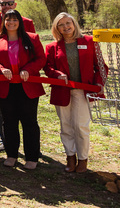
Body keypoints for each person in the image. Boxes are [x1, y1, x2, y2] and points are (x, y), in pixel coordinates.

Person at [44, 12, 106, 173]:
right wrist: (57, 74)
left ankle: (83, 159)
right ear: (56, 28)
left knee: (81, 126)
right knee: (66, 126)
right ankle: (70, 157)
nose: (65, 27)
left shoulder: (89, 41)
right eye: (61, 24)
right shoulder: (52, 47)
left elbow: (101, 66)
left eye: (68, 23)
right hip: (62, 91)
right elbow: (48, 67)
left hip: (83, 91)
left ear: (74, 23)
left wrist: (99, 82)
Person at [0, 9, 46, 170]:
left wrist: (29, 69)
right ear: (3, 22)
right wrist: (0, 69)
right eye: (8, 20)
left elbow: (41, 58)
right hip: (5, 87)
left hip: (27, 86)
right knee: (8, 121)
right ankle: (11, 155)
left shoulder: (32, 38)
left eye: (14, 20)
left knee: (29, 122)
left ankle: (32, 157)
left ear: (20, 22)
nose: (11, 23)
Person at [0, 0, 36, 153]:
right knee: (4, 113)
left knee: (28, 116)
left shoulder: (27, 23)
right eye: (3, 3)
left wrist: (28, 69)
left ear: (15, 5)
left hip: (25, 79)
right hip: (3, 79)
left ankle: (31, 148)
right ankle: (5, 141)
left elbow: (33, 48)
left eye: (9, 3)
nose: (6, 6)